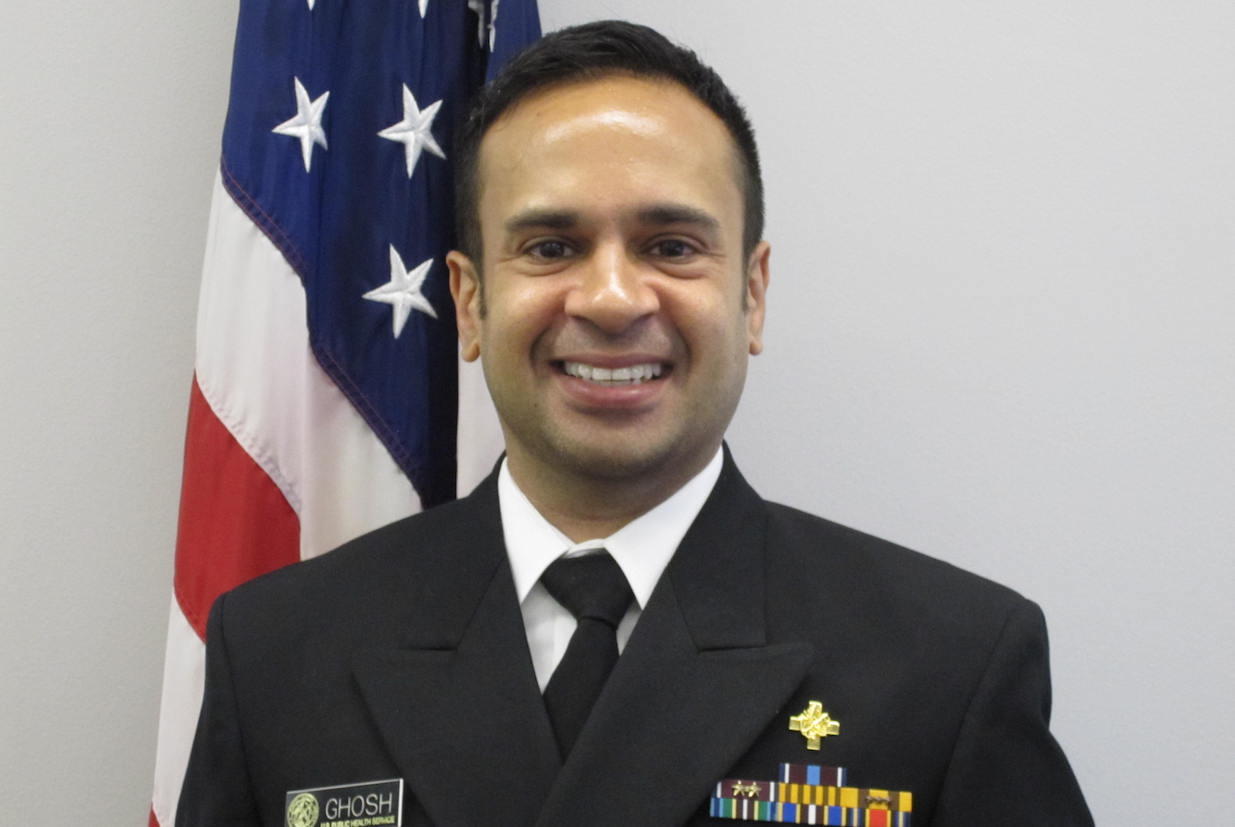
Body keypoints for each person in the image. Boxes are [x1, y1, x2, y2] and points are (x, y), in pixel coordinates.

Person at [178, 20, 1092, 827]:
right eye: (550, 246)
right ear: (467, 301)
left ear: (752, 292)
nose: (612, 299)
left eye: (670, 246)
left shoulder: (948, 666)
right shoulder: (277, 656)